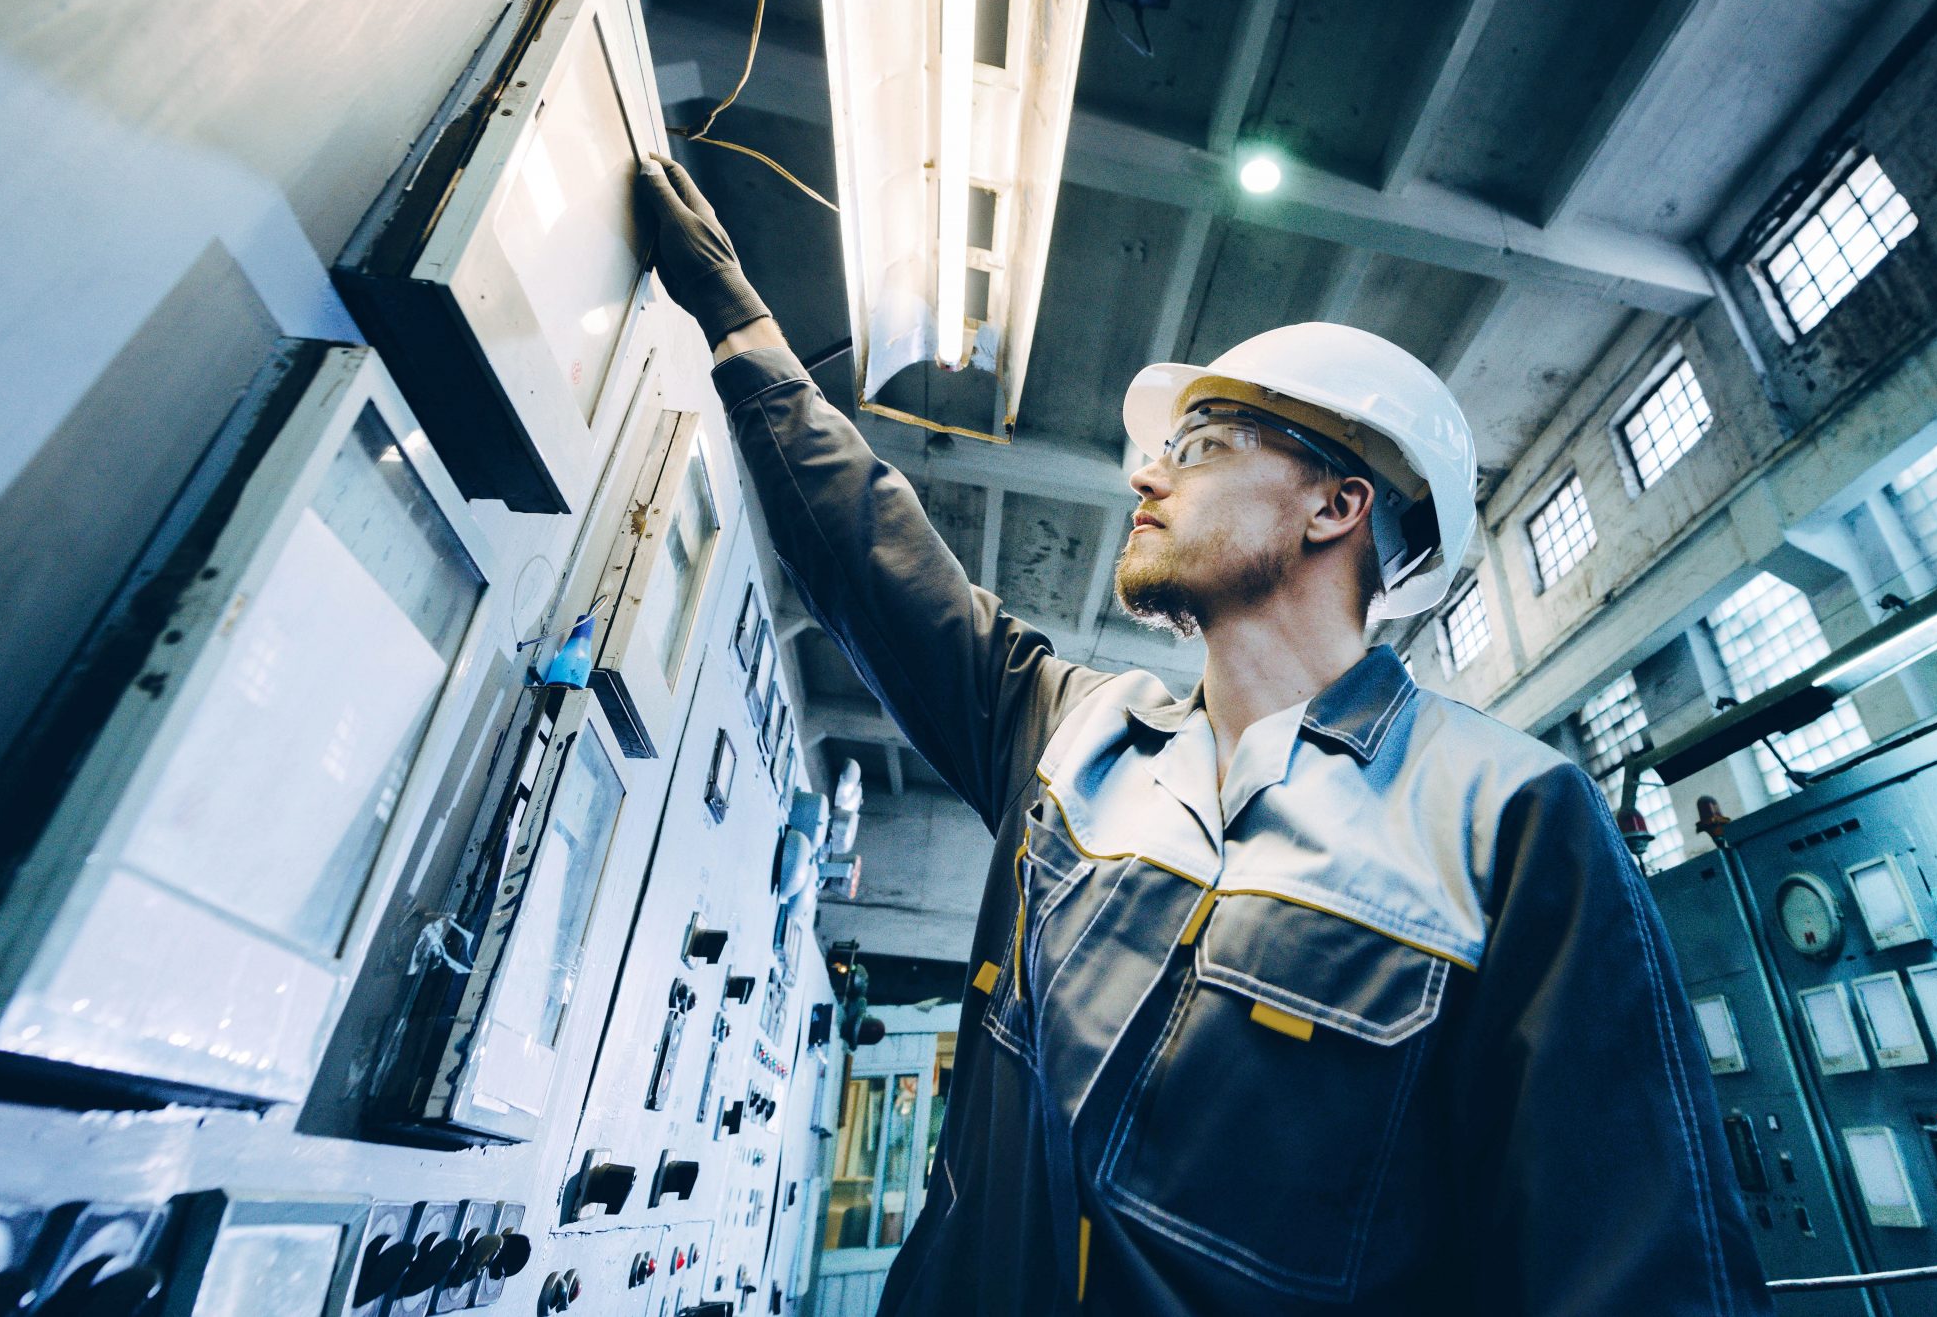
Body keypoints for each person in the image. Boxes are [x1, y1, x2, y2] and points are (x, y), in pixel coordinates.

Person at [641, 156, 1769, 1317]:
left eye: (1202, 445)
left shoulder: (1511, 824)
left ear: (1337, 504)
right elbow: (876, 558)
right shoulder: (1076, 732)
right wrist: (741, 328)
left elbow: (1644, 1272)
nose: (1145, 472)